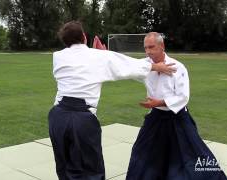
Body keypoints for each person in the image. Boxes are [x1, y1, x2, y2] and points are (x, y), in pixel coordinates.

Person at [48, 21, 176, 180]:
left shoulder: (58, 57)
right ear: (84, 36)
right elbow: (126, 65)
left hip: (57, 117)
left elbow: (86, 63)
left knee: (64, 166)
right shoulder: (98, 56)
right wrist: (157, 67)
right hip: (81, 120)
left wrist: (102, 54)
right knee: (90, 171)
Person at [126, 32, 227, 180]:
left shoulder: (178, 67)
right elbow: (126, 67)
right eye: (145, 48)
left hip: (178, 117)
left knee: (192, 156)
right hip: (155, 117)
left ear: (162, 46)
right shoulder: (146, 66)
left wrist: (159, 103)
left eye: (151, 47)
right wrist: (106, 55)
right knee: (142, 152)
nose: (148, 51)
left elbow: (183, 97)